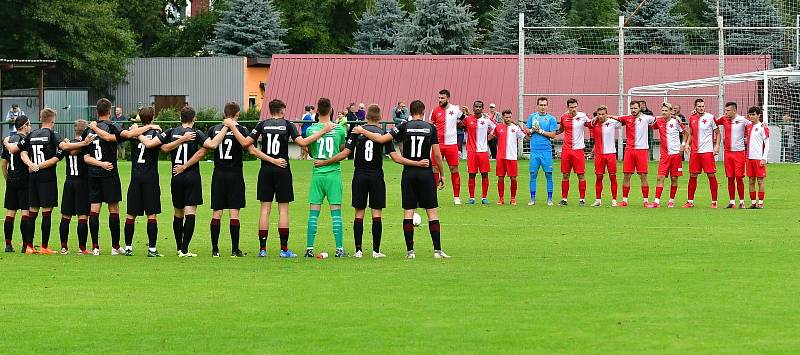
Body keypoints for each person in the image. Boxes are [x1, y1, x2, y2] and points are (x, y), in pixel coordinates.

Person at [228, 99, 333, 258]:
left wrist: (231, 126)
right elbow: (302, 142)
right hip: (282, 169)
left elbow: (245, 143)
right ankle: (284, 250)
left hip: (265, 170)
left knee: (265, 209)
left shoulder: (262, 125)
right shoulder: (287, 124)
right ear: (283, 110)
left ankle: (263, 250)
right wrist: (323, 131)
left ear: (270, 110)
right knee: (283, 210)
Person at [323, 105, 426, 258]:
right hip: (376, 176)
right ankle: (376, 251)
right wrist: (418, 163)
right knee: (376, 214)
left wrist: (326, 162)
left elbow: (345, 153)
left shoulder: (357, 132)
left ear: (366, 117)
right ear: (379, 118)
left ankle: (358, 251)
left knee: (359, 213)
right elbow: (396, 158)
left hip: (359, 175)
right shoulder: (383, 133)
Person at [356, 100, 450, 259]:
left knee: (408, 212)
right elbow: (437, 155)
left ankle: (410, 252)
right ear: (423, 111)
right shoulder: (430, 127)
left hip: (409, 173)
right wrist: (442, 174)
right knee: (432, 212)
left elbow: (381, 139)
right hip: (426, 172)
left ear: (410, 112)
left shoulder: (403, 126)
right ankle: (437, 251)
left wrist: (362, 130)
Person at [18, 108, 91, 254]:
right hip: (46, 178)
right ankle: (44, 247)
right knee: (46, 212)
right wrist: (83, 143)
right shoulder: (52, 134)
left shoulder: (32, 134)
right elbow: (63, 148)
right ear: (52, 120)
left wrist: (30, 164)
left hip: (33, 177)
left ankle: (29, 246)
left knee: (32, 212)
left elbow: (22, 151)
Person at [158, 106, 208, 257]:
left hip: (176, 175)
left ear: (180, 118)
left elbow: (164, 148)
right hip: (191, 175)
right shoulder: (196, 133)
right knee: (190, 212)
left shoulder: (173, 131)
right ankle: (184, 249)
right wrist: (186, 165)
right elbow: (205, 149)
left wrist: (179, 140)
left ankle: (179, 247)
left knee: (178, 212)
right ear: (194, 118)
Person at [203, 102, 251, 257]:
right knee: (234, 213)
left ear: (224, 114)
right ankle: (235, 249)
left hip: (218, 175)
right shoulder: (242, 129)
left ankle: (215, 249)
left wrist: (226, 126)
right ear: (237, 114)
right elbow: (247, 145)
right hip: (235, 175)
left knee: (217, 212)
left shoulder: (214, 129)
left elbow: (210, 146)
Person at [304, 98, 349, 258]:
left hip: (317, 175)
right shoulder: (340, 130)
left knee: (313, 212)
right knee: (336, 212)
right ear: (331, 110)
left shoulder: (311, 130)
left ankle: (309, 249)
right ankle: (339, 249)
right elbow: (341, 149)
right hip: (334, 174)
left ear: (317, 110)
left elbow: (310, 151)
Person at [82, 98, 125, 255]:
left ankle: (95, 247)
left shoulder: (89, 130)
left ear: (96, 112)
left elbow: (85, 157)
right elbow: (116, 138)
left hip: (93, 175)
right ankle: (115, 247)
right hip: (109, 173)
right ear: (110, 111)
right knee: (113, 209)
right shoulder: (112, 126)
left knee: (94, 209)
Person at [121, 107, 164, 257]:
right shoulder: (156, 132)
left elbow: (127, 134)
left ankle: (128, 247)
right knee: (151, 214)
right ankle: (152, 249)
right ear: (153, 117)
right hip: (150, 177)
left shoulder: (134, 133)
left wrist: (138, 128)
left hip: (135, 177)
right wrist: (151, 127)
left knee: (131, 214)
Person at [57, 120, 92, 254]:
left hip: (68, 182)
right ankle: (82, 248)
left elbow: (68, 152)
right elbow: (74, 153)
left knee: (66, 216)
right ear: (85, 131)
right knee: (83, 216)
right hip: (82, 182)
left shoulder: (67, 144)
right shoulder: (85, 144)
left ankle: (64, 247)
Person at [617, 101, 656, 207]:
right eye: (632, 108)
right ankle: (624, 200)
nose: (633, 110)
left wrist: (674, 116)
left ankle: (645, 201)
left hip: (642, 150)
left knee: (643, 175)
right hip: (629, 150)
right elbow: (615, 117)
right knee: (626, 175)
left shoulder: (646, 118)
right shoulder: (626, 118)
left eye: (635, 108)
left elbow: (660, 118)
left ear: (640, 108)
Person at [2, 116, 32, 252]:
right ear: (25, 126)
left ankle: (8, 245)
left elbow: (3, 163)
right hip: (24, 179)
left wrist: (7, 178)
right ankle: (25, 245)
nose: (30, 127)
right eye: (29, 124)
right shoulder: (25, 140)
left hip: (11, 179)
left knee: (10, 212)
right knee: (25, 213)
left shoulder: (8, 139)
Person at [650, 103, 688, 208]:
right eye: (662, 110)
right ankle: (656, 202)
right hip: (664, 155)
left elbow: (686, 134)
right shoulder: (659, 121)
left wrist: (683, 145)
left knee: (674, 178)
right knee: (660, 177)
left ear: (670, 111)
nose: (663, 112)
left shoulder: (676, 121)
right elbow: (651, 124)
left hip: (675, 154)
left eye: (666, 111)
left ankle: (671, 200)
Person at [429, 89, 463, 204]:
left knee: (454, 169)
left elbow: (465, 120)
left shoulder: (455, 110)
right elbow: (430, 125)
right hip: (437, 144)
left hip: (451, 144)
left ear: (448, 98)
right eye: (439, 98)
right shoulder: (435, 111)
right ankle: (433, 196)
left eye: (442, 98)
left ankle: (456, 197)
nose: (440, 100)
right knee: (435, 168)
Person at [684, 98, 720, 208]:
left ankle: (714, 202)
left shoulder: (710, 118)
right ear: (695, 107)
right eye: (699, 106)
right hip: (695, 152)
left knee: (711, 175)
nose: (701, 108)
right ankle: (690, 202)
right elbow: (691, 134)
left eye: (703, 106)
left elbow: (718, 133)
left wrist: (717, 146)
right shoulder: (692, 118)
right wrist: (687, 144)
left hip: (707, 151)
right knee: (692, 175)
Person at [716, 102, 751, 208]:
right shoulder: (723, 119)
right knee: (730, 178)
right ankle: (732, 202)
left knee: (739, 177)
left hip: (739, 153)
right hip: (727, 153)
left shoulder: (742, 120)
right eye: (725, 110)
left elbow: (753, 124)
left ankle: (741, 201)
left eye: (728, 110)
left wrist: (763, 124)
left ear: (734, 111)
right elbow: (712, 121)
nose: (726, 112)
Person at [556, 98, 591, 206]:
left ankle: (582, 199)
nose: (574, 109)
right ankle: (564, 199)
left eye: (575, 107)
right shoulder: (563, 117)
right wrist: (550, 133)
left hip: (578, 150)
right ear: (568, 107)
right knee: (565, 174)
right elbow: (561, 129)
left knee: (581, 175)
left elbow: (591, 125)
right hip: (566, 150)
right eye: (571, 107)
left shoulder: (582, 116)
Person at [587, 105, 622, 207]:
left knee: (612, 177)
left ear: (606, 114)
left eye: (603, 114)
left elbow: (623, 120)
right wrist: (593, 119)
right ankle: (598, 200)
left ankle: (614, 200)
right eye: (599, 114)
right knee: (599, 177)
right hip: (599, 155)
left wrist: (612, 116)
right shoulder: (594, 123)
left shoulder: (612, 122)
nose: (601, 116)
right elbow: (586, 123)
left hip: (610, 154)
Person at [526, 97, 558, 206]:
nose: (542, 107)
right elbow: (527, 131)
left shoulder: (551, 119)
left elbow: (553, 135)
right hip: (534, 151)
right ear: (537, 105)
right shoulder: (532, 117)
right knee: (533, 174)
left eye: (544, 105)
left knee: (548, 174)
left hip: (546, 151)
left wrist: (540, 131)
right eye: (541, 105)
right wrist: (531, 130)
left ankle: (549, 199)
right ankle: (532, 198)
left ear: (547, 106)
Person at [463, 101, 495, 205]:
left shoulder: (486, 120)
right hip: (471, 151)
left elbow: (495, 128)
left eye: (479, 107)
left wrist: (488, 138)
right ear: (473, 108)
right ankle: (471, 198)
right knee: (471, 175)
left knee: (484, 174)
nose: (477, 108)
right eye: (476, 106)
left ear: (482, 108)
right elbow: (459, 125)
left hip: (483, 152)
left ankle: (484, 198)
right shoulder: (467, 119)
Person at [491, 109, 525, 205]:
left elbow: (525, 136)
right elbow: (490, 137)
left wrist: (522, 128)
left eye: (510, 117)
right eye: (506, 117)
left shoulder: (515, 128)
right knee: (500, 178)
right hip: (501, 157)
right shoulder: (498, 127)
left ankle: (513, 198)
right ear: (503, 117)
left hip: (512, 157)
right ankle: (501, 198)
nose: (508, 119)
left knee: (513, 178)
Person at [745, 106, 768, 209]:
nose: (751, 116)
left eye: (753, 114)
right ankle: (753, 203)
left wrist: (764, 158)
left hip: (759, 158)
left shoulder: (763, 127)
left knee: (760, 181)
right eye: (750, 114)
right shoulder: (748, 126)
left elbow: (767, 143)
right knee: (751, 180)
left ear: (759, 115)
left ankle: (761, 203)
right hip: (749, 158)